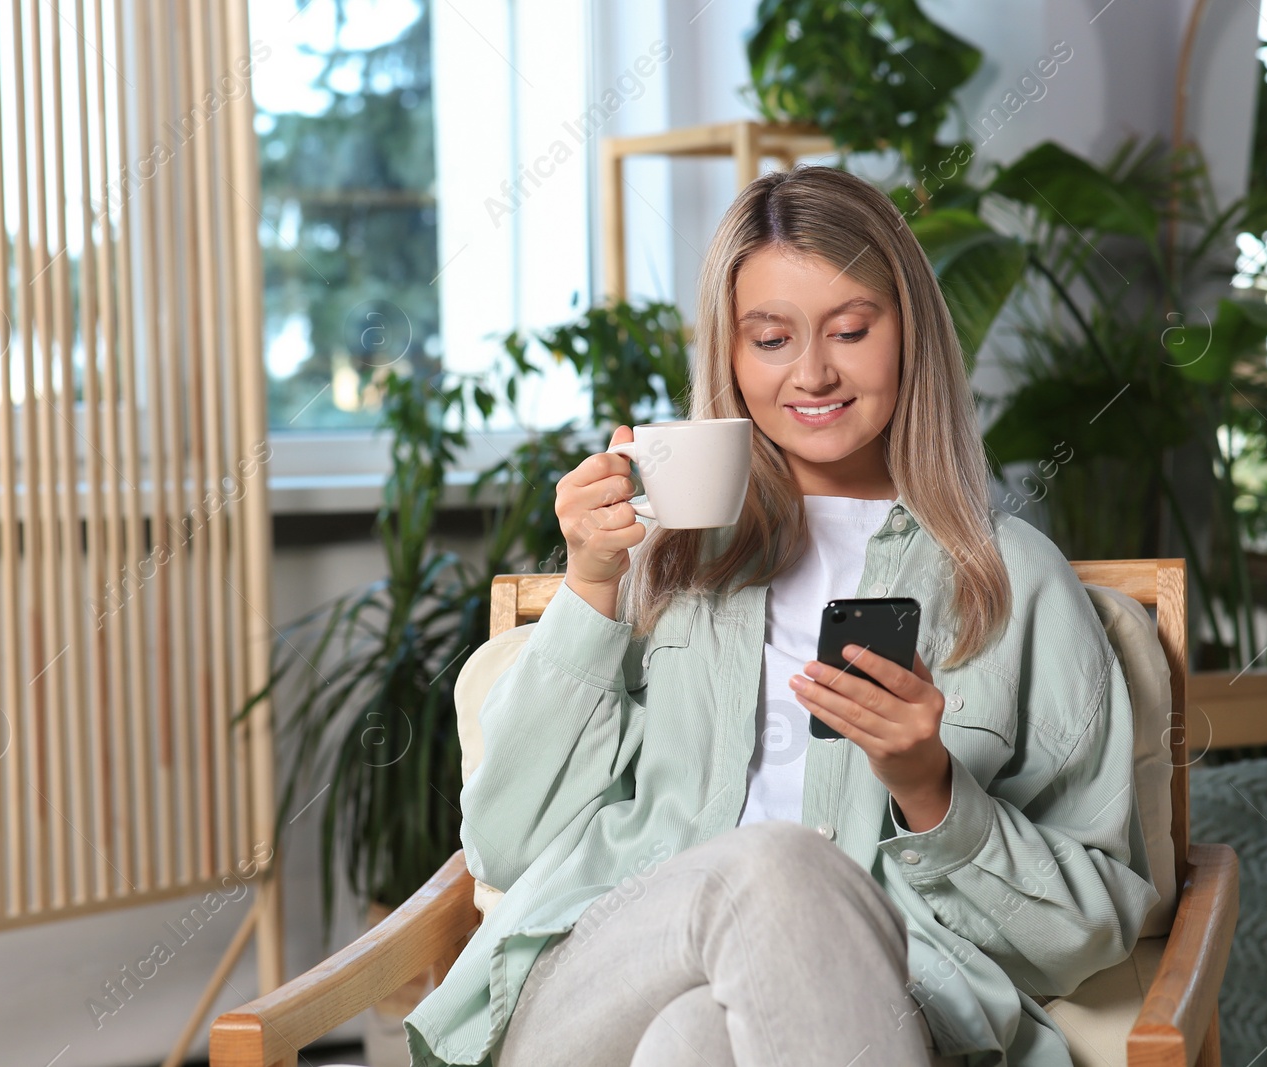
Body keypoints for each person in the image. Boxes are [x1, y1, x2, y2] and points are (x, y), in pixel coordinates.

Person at [402, 164, 1161, 1067]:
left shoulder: (1009, 580)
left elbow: (1092, 927)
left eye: (850, 330)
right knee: (778, 864)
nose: (813, 372)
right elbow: (508, 842)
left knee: (694, 1042)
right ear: (728, 353)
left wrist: (931, 791)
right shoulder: (667, 559)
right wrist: (594, 584)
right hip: (593, 984)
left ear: (908, 335)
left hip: (864, 1005)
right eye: (770, 338)